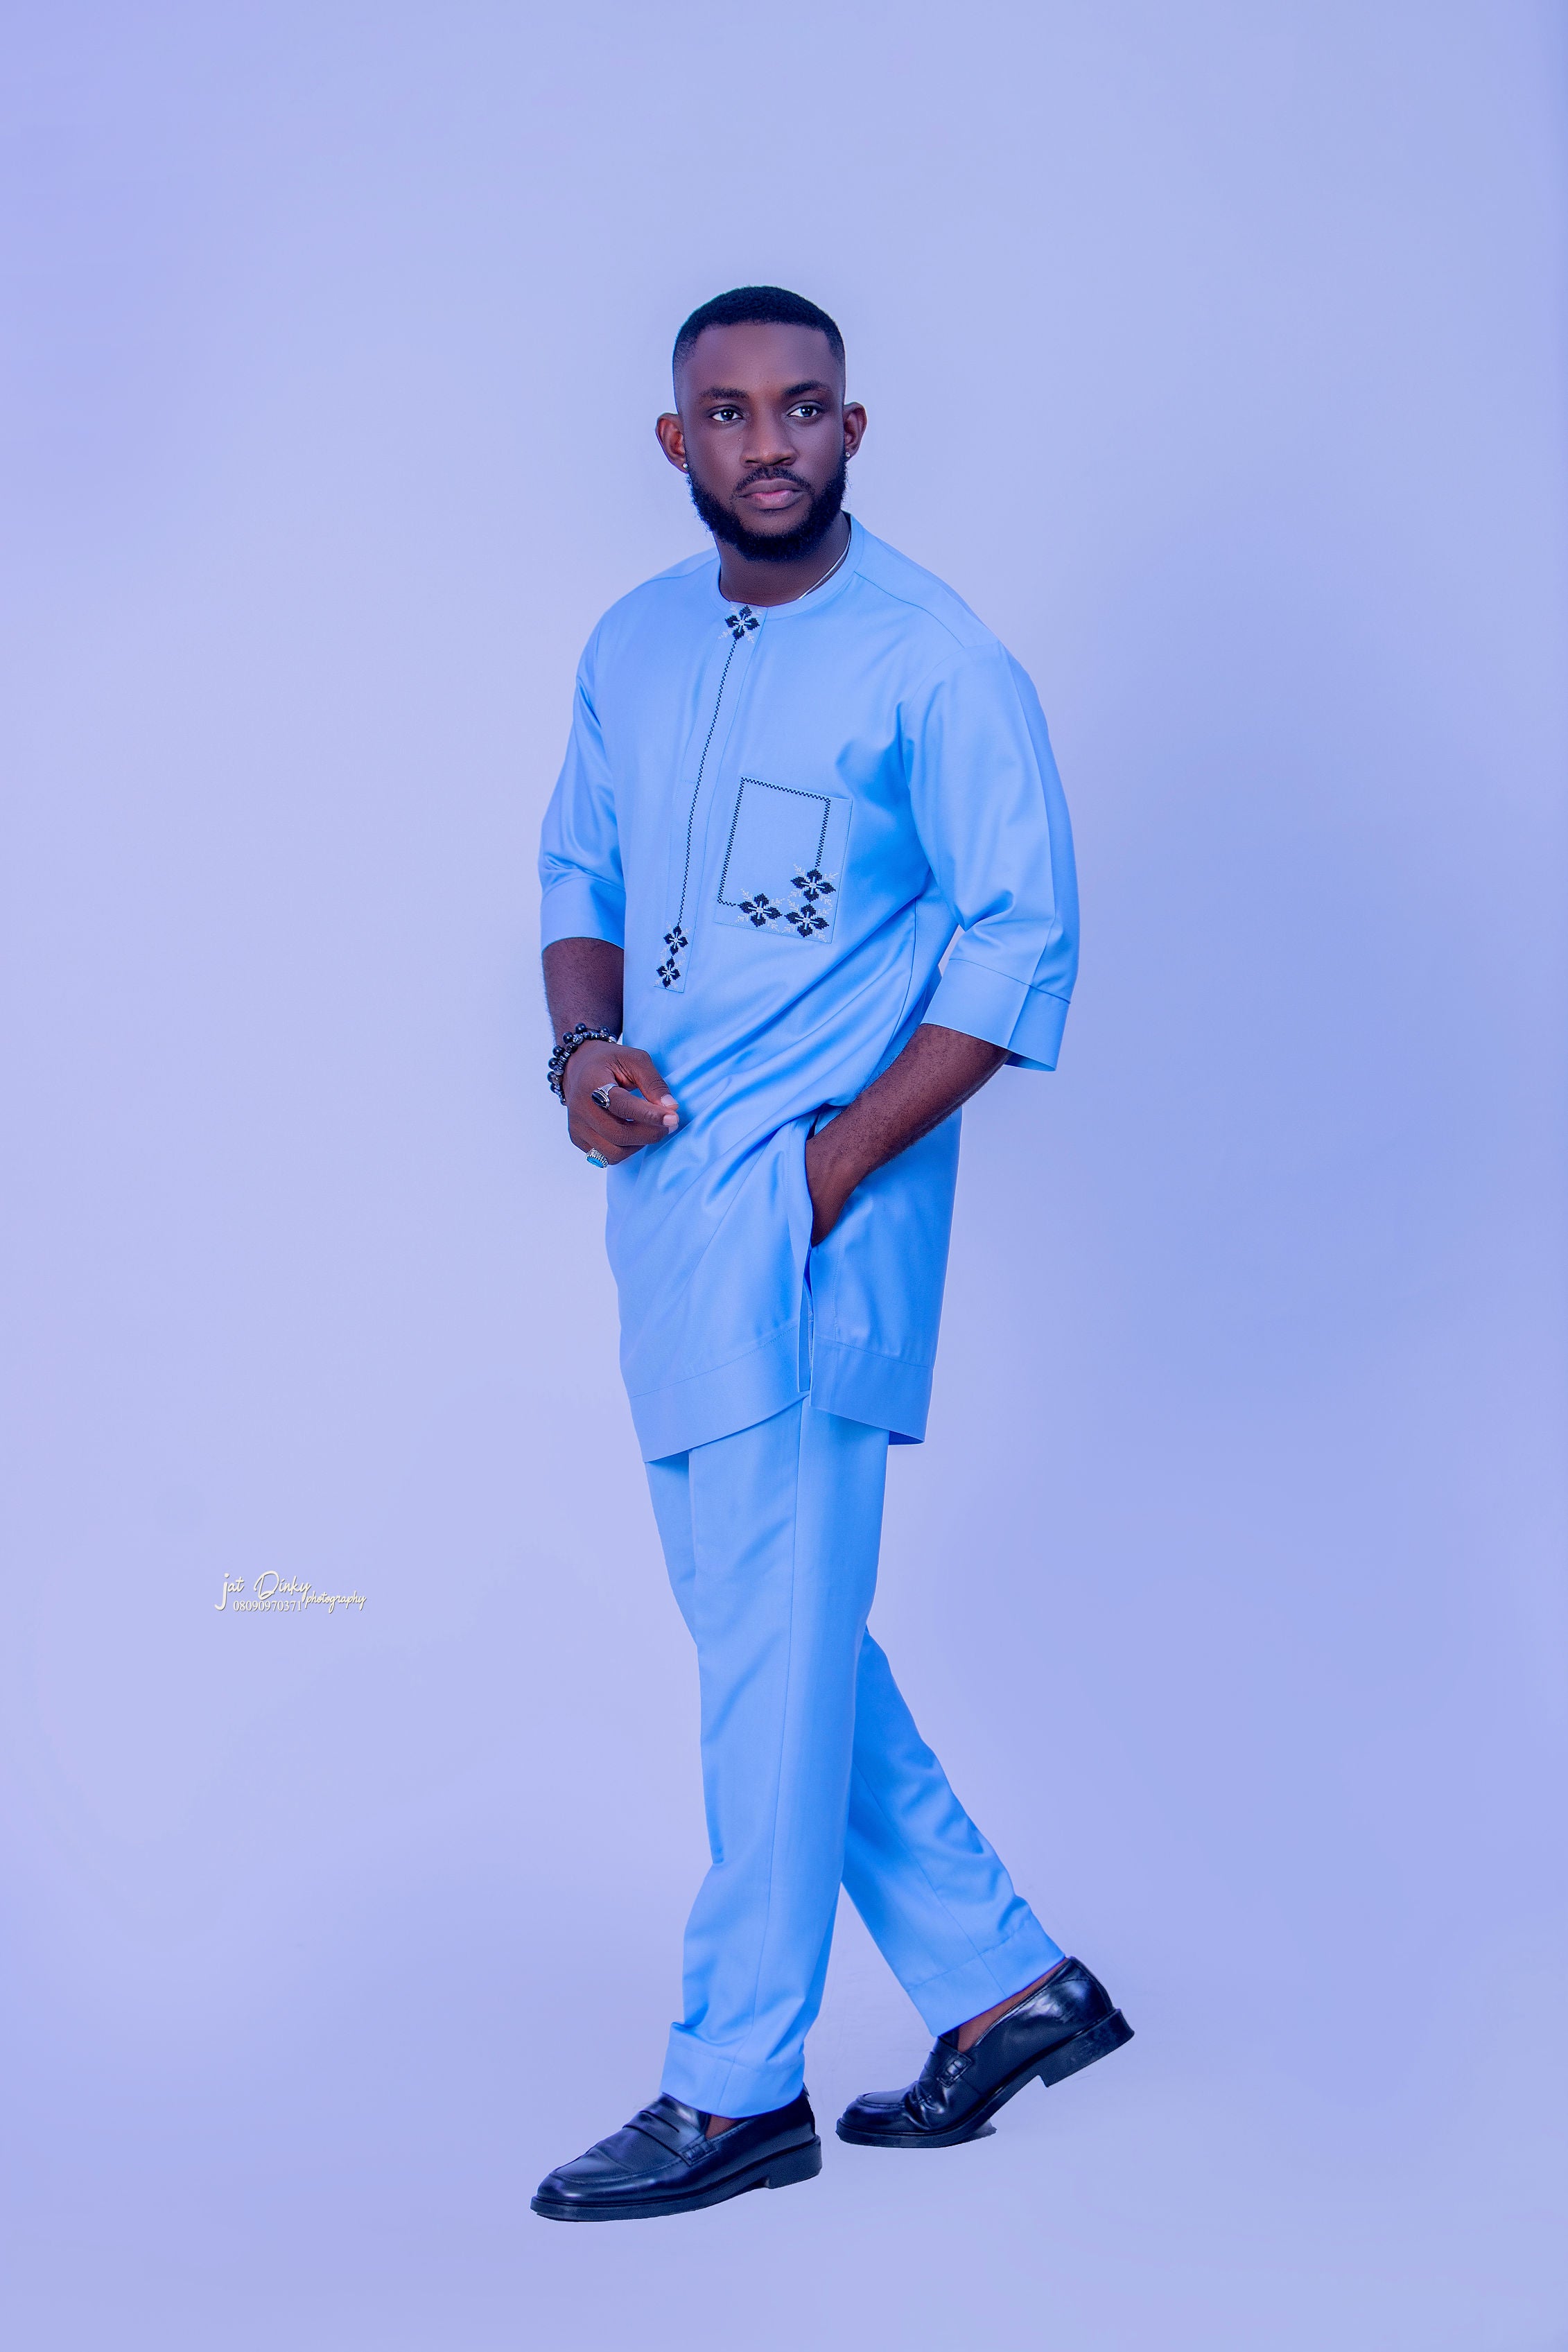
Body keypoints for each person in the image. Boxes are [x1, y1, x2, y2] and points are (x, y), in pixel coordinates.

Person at [530, 286, 1131, 2224]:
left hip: (814, 1233)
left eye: (803, 409)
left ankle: (733, 2087)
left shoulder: (936, 663)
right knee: (773, 1656)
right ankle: (1009, 1983)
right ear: (675, 443)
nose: (768, 441)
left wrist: (835, 1168)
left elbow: (1018, 940)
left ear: (856, 430)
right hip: (666, 1221)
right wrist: (582, 1048)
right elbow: (578, 874)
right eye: (728, 412)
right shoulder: (630, 648)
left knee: (763, 1663)